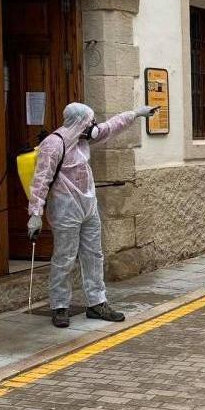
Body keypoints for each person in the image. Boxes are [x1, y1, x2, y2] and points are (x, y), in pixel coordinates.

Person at [28, 102, 158, 328]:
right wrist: (35, 214)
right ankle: (59, 306)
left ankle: (97, 303)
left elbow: (111, 126)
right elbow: (40, 181)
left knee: (94, 255)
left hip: (88, 206)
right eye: (90, 122)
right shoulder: (53, 144)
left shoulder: (83, 139)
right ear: (79, 122)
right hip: (65, 208)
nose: (93, 126)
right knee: (65, 257)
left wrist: (136, 113)